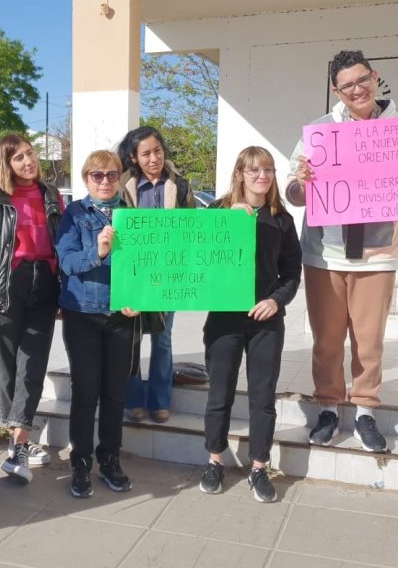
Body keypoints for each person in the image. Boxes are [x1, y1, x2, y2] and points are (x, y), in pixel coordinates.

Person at [285, 50, 398, 453]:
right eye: (347, 85)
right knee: (327, 341)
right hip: (324, 254)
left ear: (375, 77)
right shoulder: (318, 132)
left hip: (378, 253)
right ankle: (329, 407)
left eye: (362, 80)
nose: (356, 89)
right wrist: (303, 180)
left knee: (369, 342)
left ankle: (366, 410)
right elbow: (293, 193)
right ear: (336, 90)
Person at [198, 147, 301, 502]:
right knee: (219, 392)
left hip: (265, 319)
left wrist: (276, 300)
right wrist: (225, 220)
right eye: (255, 170)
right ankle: (215, 460)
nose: (262, 176)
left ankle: (259, 466)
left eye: (269, 169)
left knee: (262, 396)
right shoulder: (217, 211)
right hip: (224, 319)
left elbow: (291, 272)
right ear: (240, 173)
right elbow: (197, 256)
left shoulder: (281, 219)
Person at [56, 150, 140, 498]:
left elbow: (145, 266)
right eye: (96, 175)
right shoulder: (75, 213)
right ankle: (80, 461)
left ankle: (109, 459)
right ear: (86, 178)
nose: (104, 181)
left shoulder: (132, 215)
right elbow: (67, 260)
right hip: (83, 315)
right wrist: (99, 252)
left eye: (111, 174)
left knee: (115, 393)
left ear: (120, 177)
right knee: (86, 392)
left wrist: (141, 301)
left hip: (121, 315)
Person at [0, 134, 64, 484]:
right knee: (6, 362)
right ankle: (18, 438)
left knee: (32, 361)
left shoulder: (50, 195)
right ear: (7, 164)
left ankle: (19, 440)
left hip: (43, 278)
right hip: (5, 281)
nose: (28, 162)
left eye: (30, 154)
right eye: (19, 158)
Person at [116, 126, 194, 424]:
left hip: (168, 273)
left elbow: (192, 229)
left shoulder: (181, 186)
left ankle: (161, 400)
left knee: (163, 336)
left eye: (157, 151)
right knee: (132, 338)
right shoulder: (123, 186)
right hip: (133, 274)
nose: (153, 158)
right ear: (134, 158)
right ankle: (133, 399)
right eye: (146, 153)